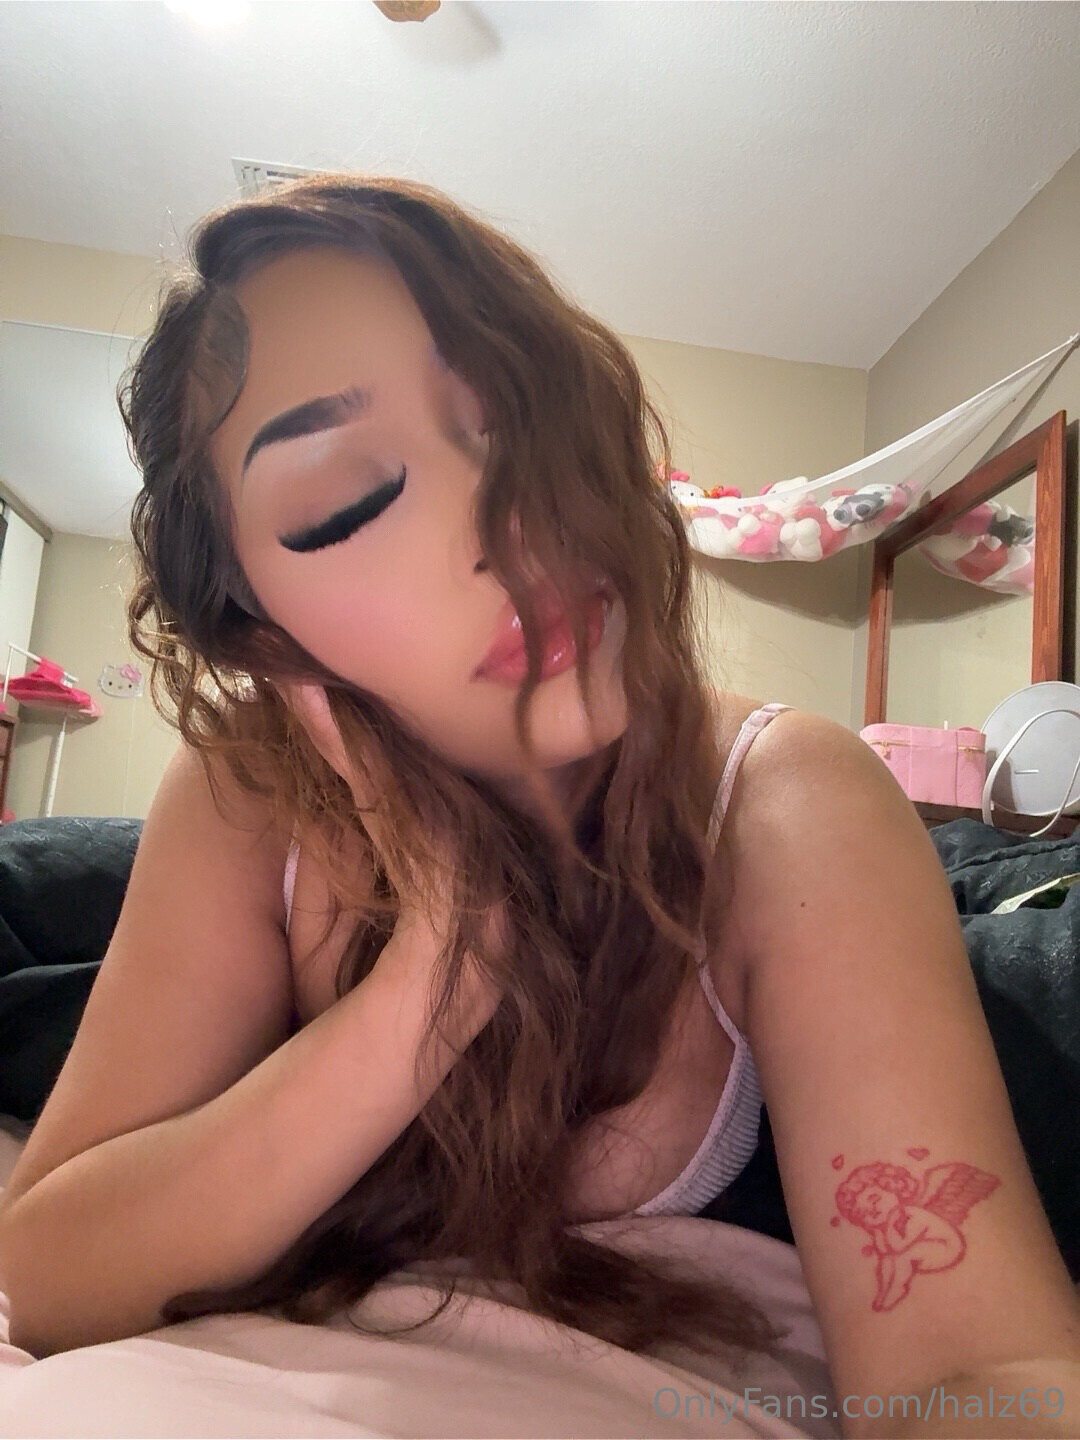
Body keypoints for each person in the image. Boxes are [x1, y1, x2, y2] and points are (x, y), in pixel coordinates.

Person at [0, 173, 1076, 1435]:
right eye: (351, 499)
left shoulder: (786, 801)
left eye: (517, 414)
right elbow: (47, 1276)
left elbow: (977, 1365)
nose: (514, 522)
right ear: (262, 628)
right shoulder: (250, 794)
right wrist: (438, 974)